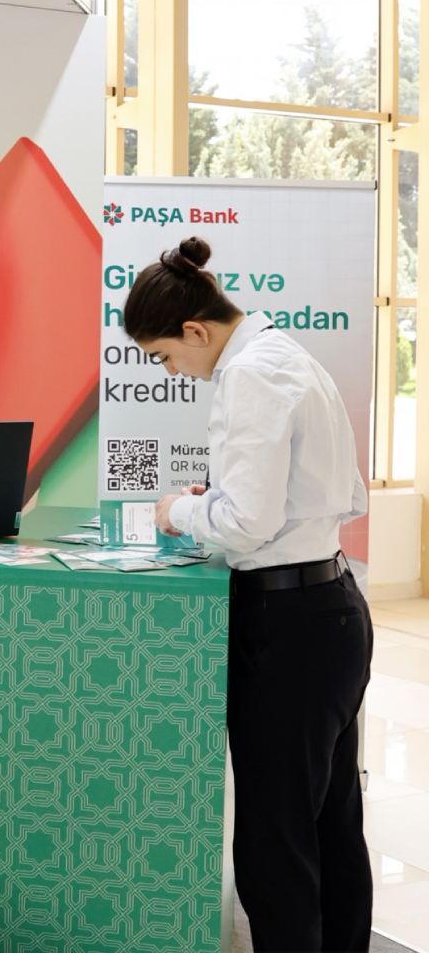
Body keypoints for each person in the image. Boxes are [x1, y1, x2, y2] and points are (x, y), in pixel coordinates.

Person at [123, 237, 373, 953]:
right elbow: (345, 497)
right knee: (331, 826)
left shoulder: (249, 375)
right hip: (332, 610)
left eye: (166, 356)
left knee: (275, 843)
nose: (174, 372)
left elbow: (245, 524)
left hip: (288, 626)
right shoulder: (289, 356)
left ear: (195, 330)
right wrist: (222, 499)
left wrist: (180, 510)